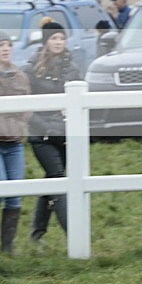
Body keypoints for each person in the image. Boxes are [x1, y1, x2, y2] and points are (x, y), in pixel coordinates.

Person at [24, 18, 80, 249]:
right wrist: (43, 127)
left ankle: (36, 234)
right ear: (46, 42)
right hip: (42, 135)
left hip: (65, 134)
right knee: (58, 178)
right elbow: (25, 106)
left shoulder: (73, 67)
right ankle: (75, 236)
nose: (58, 42)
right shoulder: (32, 68)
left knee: (51, 179)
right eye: (54, 38)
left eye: (62, 38)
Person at [0, 31, 31, 255]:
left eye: (8, 45)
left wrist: (16, 123)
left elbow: (27, 108)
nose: (5, 48)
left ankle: (7, 246)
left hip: (15, 142)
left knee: (16, 193)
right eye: (1, 45)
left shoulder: (20, 76)